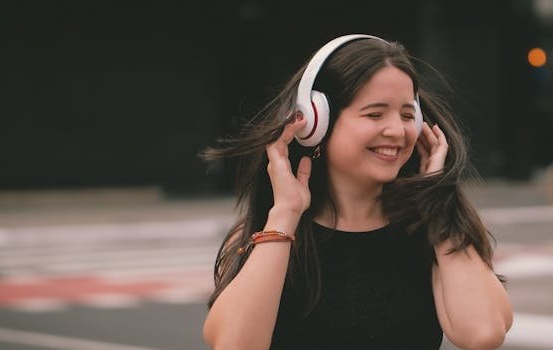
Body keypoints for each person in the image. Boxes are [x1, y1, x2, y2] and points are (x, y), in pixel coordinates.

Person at [202, 34, 512, 350]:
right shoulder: (270, 235)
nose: (396, 130)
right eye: (375, 114)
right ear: (316, 122)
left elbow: (483, 333)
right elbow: (235, 345)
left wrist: (436, 203)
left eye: (407, 115)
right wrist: (285, 214)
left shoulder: (428, 231)